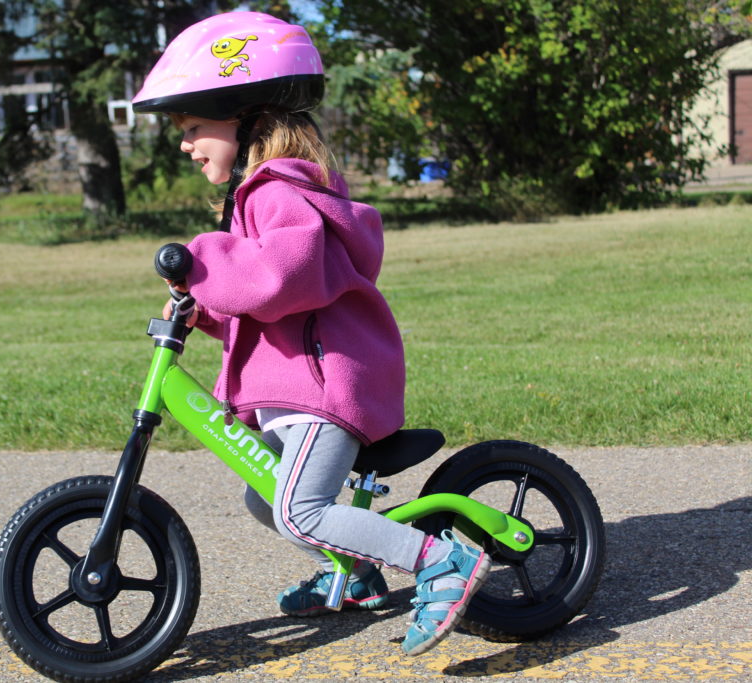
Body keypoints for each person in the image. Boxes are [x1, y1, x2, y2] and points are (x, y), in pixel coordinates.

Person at [132, 11, 490, 656]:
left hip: (325, 387)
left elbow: (281, 276)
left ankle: (442, 563)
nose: (184, 145)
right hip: (293, 390)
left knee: (300, 508)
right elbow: (264, 303)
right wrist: (206, 307)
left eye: (192, 128)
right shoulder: (252, 200)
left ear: (245, 118)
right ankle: (356, 574)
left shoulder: (280, 195)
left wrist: (202, 261)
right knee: (267, 498)